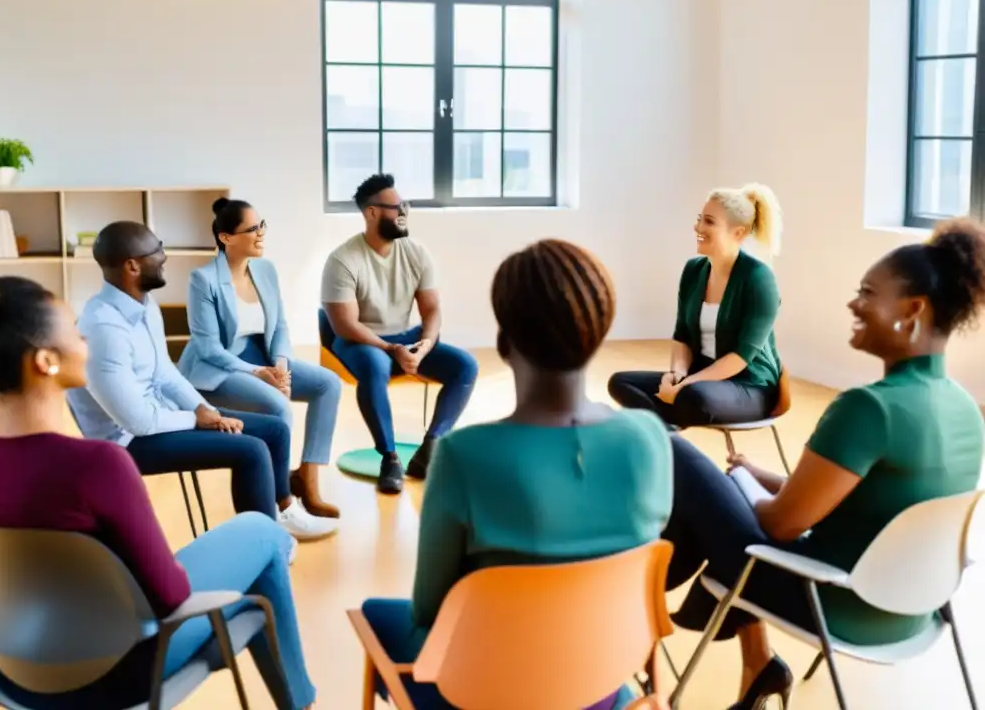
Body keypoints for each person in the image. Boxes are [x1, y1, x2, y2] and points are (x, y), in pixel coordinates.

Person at [661, 218, 985, 709]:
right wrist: (754, 478)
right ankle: (755, 665)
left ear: (913, 309)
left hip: (834, 601)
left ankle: (636, 593)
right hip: (912, 608)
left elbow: (781, 524)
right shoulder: (964, 407)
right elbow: (866, 502)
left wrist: (743, 489)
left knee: (672, 448)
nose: (853, 304)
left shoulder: (870, 408)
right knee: (726, 487)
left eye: (868, 293)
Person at [0, 277, 318, 709]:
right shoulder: (97, 467)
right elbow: (170, 596)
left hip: (13, 668)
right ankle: (301, 702)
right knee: (263, 534)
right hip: (120, 671)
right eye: (74, 330)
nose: (85, 339)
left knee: (258, 546)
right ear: (46, 361)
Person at [361, 239, 674, 710]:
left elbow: (430, 612)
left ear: (505, 344)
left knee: (374, 616)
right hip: (602, 686)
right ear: (598, 333)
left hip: (483, 692)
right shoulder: (648, 437)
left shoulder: (464, 456)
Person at [67, 221, 335, 541]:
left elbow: (165, 371)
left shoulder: (144, 304)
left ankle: (284, 511)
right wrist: (196, 418)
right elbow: (137, 422)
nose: (164, 256)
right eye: (157, 250)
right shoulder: (103, 327)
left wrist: (205, 408)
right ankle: (263, 542)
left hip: (158, 416)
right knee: (249, 450)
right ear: (133, 266)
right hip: (128, 442)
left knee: (274, 429)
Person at [179, 198, 342, 520]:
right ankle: (282, 501)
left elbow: (280, 324)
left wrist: (280, 366)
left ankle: (306, 478)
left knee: (329, 384)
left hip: (264, 356)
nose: (261, 234)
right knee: (277, 406)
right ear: (226, 238)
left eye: (261, 225)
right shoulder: (204, 280)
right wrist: (258, 373)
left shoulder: (265, 269)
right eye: (252, 229)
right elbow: (210, 348)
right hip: (219, 366)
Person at [321, 173, 478, 495]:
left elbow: (432, 310)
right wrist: (392, 349)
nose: (404, 212)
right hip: (360, 342)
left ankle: (431, 447)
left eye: (405, 205)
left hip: (407, 337)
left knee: (465, 366)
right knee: (375, 367)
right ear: (372, 213)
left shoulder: (416, 252)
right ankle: (389, 458)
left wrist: (424, 347)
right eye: (396, 207)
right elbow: (345, 325)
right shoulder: (342, 259)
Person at [608, 184, 784, 428]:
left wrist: (686, 385)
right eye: (700, 219)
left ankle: (659, 433)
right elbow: (682, 335)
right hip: (700, 380)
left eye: (710, 222)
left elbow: (742, 356)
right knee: (621, 382)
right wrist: (677, 375)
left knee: (693, 398)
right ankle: (666, 432)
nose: (698, 228)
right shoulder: (693, 271)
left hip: (749, 386)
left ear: (738, 233)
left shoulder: (758, 278)